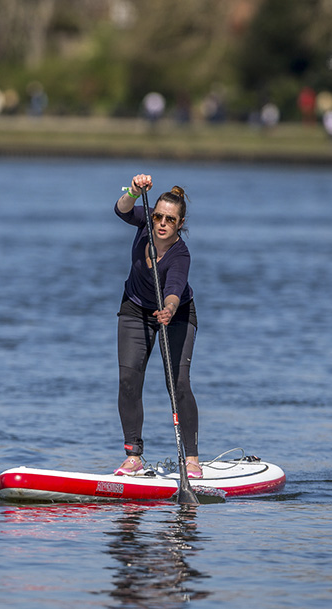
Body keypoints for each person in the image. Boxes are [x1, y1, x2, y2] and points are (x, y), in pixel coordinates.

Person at [113, 174, 201, 479]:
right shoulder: (144, 223)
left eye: (170, 219)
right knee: (128, 379)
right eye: (159, 216)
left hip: (175, 314)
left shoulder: (181, 255)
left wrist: (169, 308)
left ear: (180, 223)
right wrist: (134, 191)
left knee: (177, 384)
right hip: (135, 308)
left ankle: (191, 459)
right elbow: (122, 209)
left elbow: (176, 286)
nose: (162, 223)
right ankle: (133, 456)